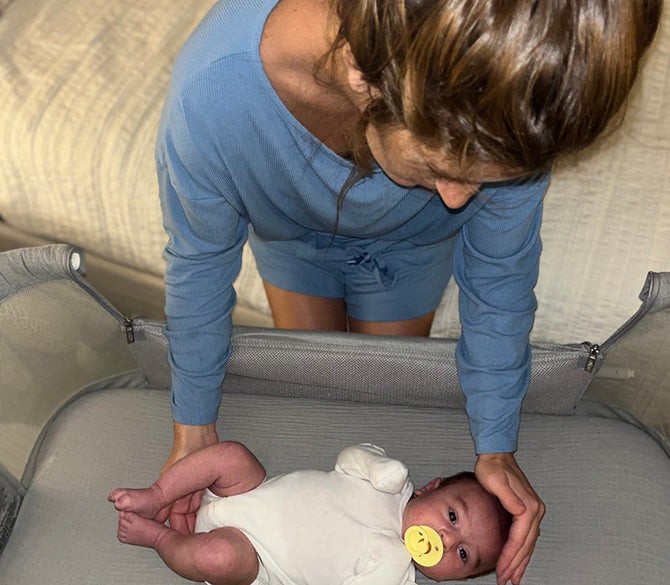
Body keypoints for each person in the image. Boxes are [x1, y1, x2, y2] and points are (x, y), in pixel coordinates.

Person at [154, 1, 662, 583]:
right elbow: (199, 265)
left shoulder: (511, 99)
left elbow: (499, 278)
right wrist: (193, 431)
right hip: (289, 238)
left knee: (378, 383)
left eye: (486, 178)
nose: (458, 200)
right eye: (437, 168)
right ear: (360, 71)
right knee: (315, 376)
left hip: (412, 252)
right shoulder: (212, 98)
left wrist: (495, 444)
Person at [109, 442, 512, 585]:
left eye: (462, 556)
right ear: (431, 488)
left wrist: (392, 562)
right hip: (254, 490)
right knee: (232, 456)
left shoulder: (398, 577)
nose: (446, 540)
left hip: (255, 555)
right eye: (453, 518)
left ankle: (160, 538)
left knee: (216, 558)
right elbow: (349, 459)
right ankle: (158, 494)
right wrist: (381, 470)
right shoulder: (392, 484)